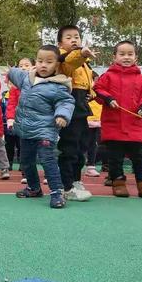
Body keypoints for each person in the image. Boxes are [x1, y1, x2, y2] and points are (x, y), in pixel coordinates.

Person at [9, 45, 74, 208]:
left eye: (49, 62)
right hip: (26, 130)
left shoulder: (58, 85)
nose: (43, 65)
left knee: (48, 160)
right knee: (26, 161)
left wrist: (62, 115)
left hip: (45, 131)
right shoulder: (27, 78)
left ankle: (57, 193)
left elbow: (66, 102)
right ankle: (33, 188)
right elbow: (16, 73)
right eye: (40, 61)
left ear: (57, 65)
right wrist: (9, 72)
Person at [94, 40, 142, 200]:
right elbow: (98, 90)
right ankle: (118, 184)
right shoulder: (107, 76)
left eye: (130, 54)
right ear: (114, 56)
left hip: (136, 126)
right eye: (122, 54)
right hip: (114, 126)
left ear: (136, 57)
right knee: (115, 158)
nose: (126, 57)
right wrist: (108, 99)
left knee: (141, 157)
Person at [57, 25, 96, 201]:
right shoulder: (63, 58)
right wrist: (82, 53)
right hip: (69, 106)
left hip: (81, 106)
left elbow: (87, 83)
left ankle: (76, 180)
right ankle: (66, 186)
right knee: (69, 148)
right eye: (69, 37)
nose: (74, 40)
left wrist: (93, 93)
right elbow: (71, 61)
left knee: (81, 147)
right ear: (60, 43)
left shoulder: (83, 62)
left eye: (77, 37)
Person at [85, 72, 102, 177]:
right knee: (78, 144)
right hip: (83, 119)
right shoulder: (82, 89)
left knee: (93, 144)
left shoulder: (98, 90)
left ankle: (91, 166)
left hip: (95, 121)